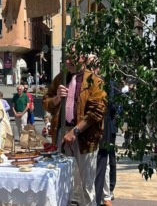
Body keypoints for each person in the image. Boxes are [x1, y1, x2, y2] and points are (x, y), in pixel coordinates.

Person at [42, 52, 106, 206]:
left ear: (82, 58)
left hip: (84, 137)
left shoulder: (94, 80)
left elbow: (97, 112)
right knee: (61, 179)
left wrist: (75, 131)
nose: (67, 61)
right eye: (65, 58)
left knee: (86, 184)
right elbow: (46, 102)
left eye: (72, 57)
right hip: (61, 133)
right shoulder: (61, 78)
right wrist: (57, 98)